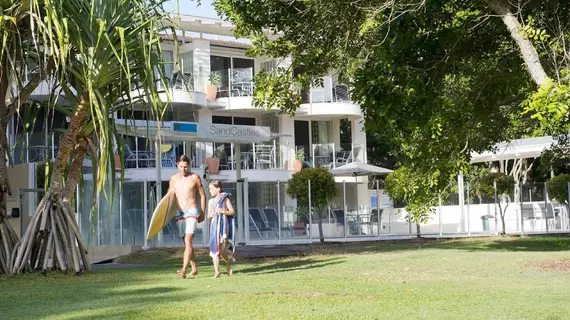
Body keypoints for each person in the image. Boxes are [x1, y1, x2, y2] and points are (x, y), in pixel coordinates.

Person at [169, 154, 206, 279]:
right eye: (181, 167)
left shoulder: (194, 177)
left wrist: (203, 212)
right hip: (179, 213)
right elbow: (169, 198)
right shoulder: (173, 179)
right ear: (177, 165)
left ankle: (184, 269)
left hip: (192, 211)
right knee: (186, 242)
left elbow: (202, 195)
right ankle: (194, 268)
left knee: (188, 240)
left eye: (185, 167)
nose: (183, 170)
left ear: (188, 166)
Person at [207, 180, 235, 278]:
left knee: (222, 250)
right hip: (214, 227)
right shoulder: (210, 201)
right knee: (215, 249)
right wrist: (211, 214)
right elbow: (208, 216)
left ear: (218, 189)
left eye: (211, 189)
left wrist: (223, 211)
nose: (210, 191)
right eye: (209, 189)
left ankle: (228, 263)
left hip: (224, 227)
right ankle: (217, 272)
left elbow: (232, 212)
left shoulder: (225, 199)